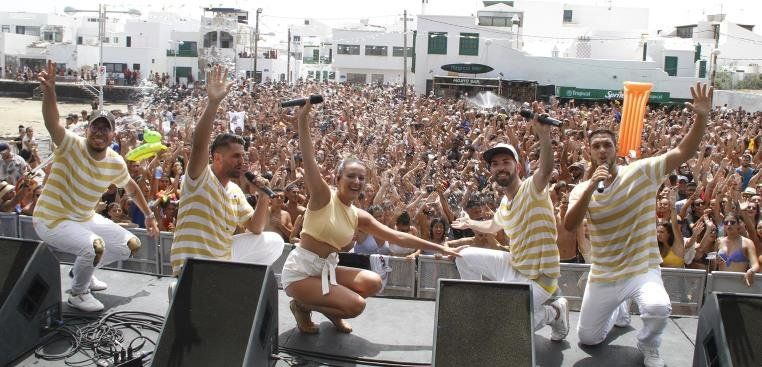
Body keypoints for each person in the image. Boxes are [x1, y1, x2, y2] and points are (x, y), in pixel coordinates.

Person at [564, 83, 713, 367]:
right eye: (596, 146)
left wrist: (701, 117)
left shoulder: (642, 172)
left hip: (641, 269)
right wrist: (591, 184)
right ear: (590, 153)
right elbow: (571, 225)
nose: (602, 149)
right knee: (588, 339)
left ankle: (648, 344)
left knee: (658, 308)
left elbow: (683, 152)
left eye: (607, 144)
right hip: (604, 273)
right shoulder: (581, 189)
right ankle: (617, 307)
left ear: (616, 148)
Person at [282, 100, 463, 334]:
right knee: (356, 305)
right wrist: (303, 119)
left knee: (374, 281)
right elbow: (309, 159)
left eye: (361, 178)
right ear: (338, 179)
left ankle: (330, 307)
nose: (357, 182)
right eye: (351, 176)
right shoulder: (323, 197)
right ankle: (302, 306)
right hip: (302, 271)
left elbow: (399, 237)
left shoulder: (359, 215)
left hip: (328, 269)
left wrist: (441, 248)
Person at [32, 61, 159, 312]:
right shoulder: (71, 145)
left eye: (105, 129)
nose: (99, 132)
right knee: (94, 246)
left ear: (113, 136)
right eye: (95, 127)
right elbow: (52, 122)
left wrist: (149, 215)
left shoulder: (115, 162)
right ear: (88, 129)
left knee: (129, 246)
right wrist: (50, 92)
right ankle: (78, 294)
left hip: (83, 218)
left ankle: (84, 273)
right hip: (51, 219)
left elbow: (131, 187)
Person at [451, 104, 570, 341]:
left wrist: (544, 135)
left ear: (516, 166)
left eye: (505, 161)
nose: (500, 167)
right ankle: (477, 311)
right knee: (462, 255)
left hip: (538, 277)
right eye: (495, 164)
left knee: (508, 324)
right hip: (514, 265)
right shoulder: (505, 203)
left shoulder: (532, 188)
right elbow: (493, 227)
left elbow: (546, 170)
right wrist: (470, 222)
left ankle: (555, 312)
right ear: (491, 171)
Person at [169, 65, 284, 276]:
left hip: (218, 262)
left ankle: (228, 277)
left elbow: (256, 228)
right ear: (218, 158)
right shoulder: (199, 178)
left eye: (244, 155)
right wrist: (213, 103)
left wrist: (263, 197)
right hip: (191, 265)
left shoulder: (235, 191)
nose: (243, 161)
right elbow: (198, 145)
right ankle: (183, 287)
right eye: (236, 156)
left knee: (273, 241)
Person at [715, 212, 759, 286]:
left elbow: (755, 265)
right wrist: (715, 261)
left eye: (732, 222)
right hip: (721, 282)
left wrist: (751, 271)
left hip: (740, 283)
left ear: (738, 225)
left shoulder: (747, 242)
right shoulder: (719, 241)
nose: (729, 224)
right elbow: (714, 266)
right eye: (726, 223)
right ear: (723, 226)